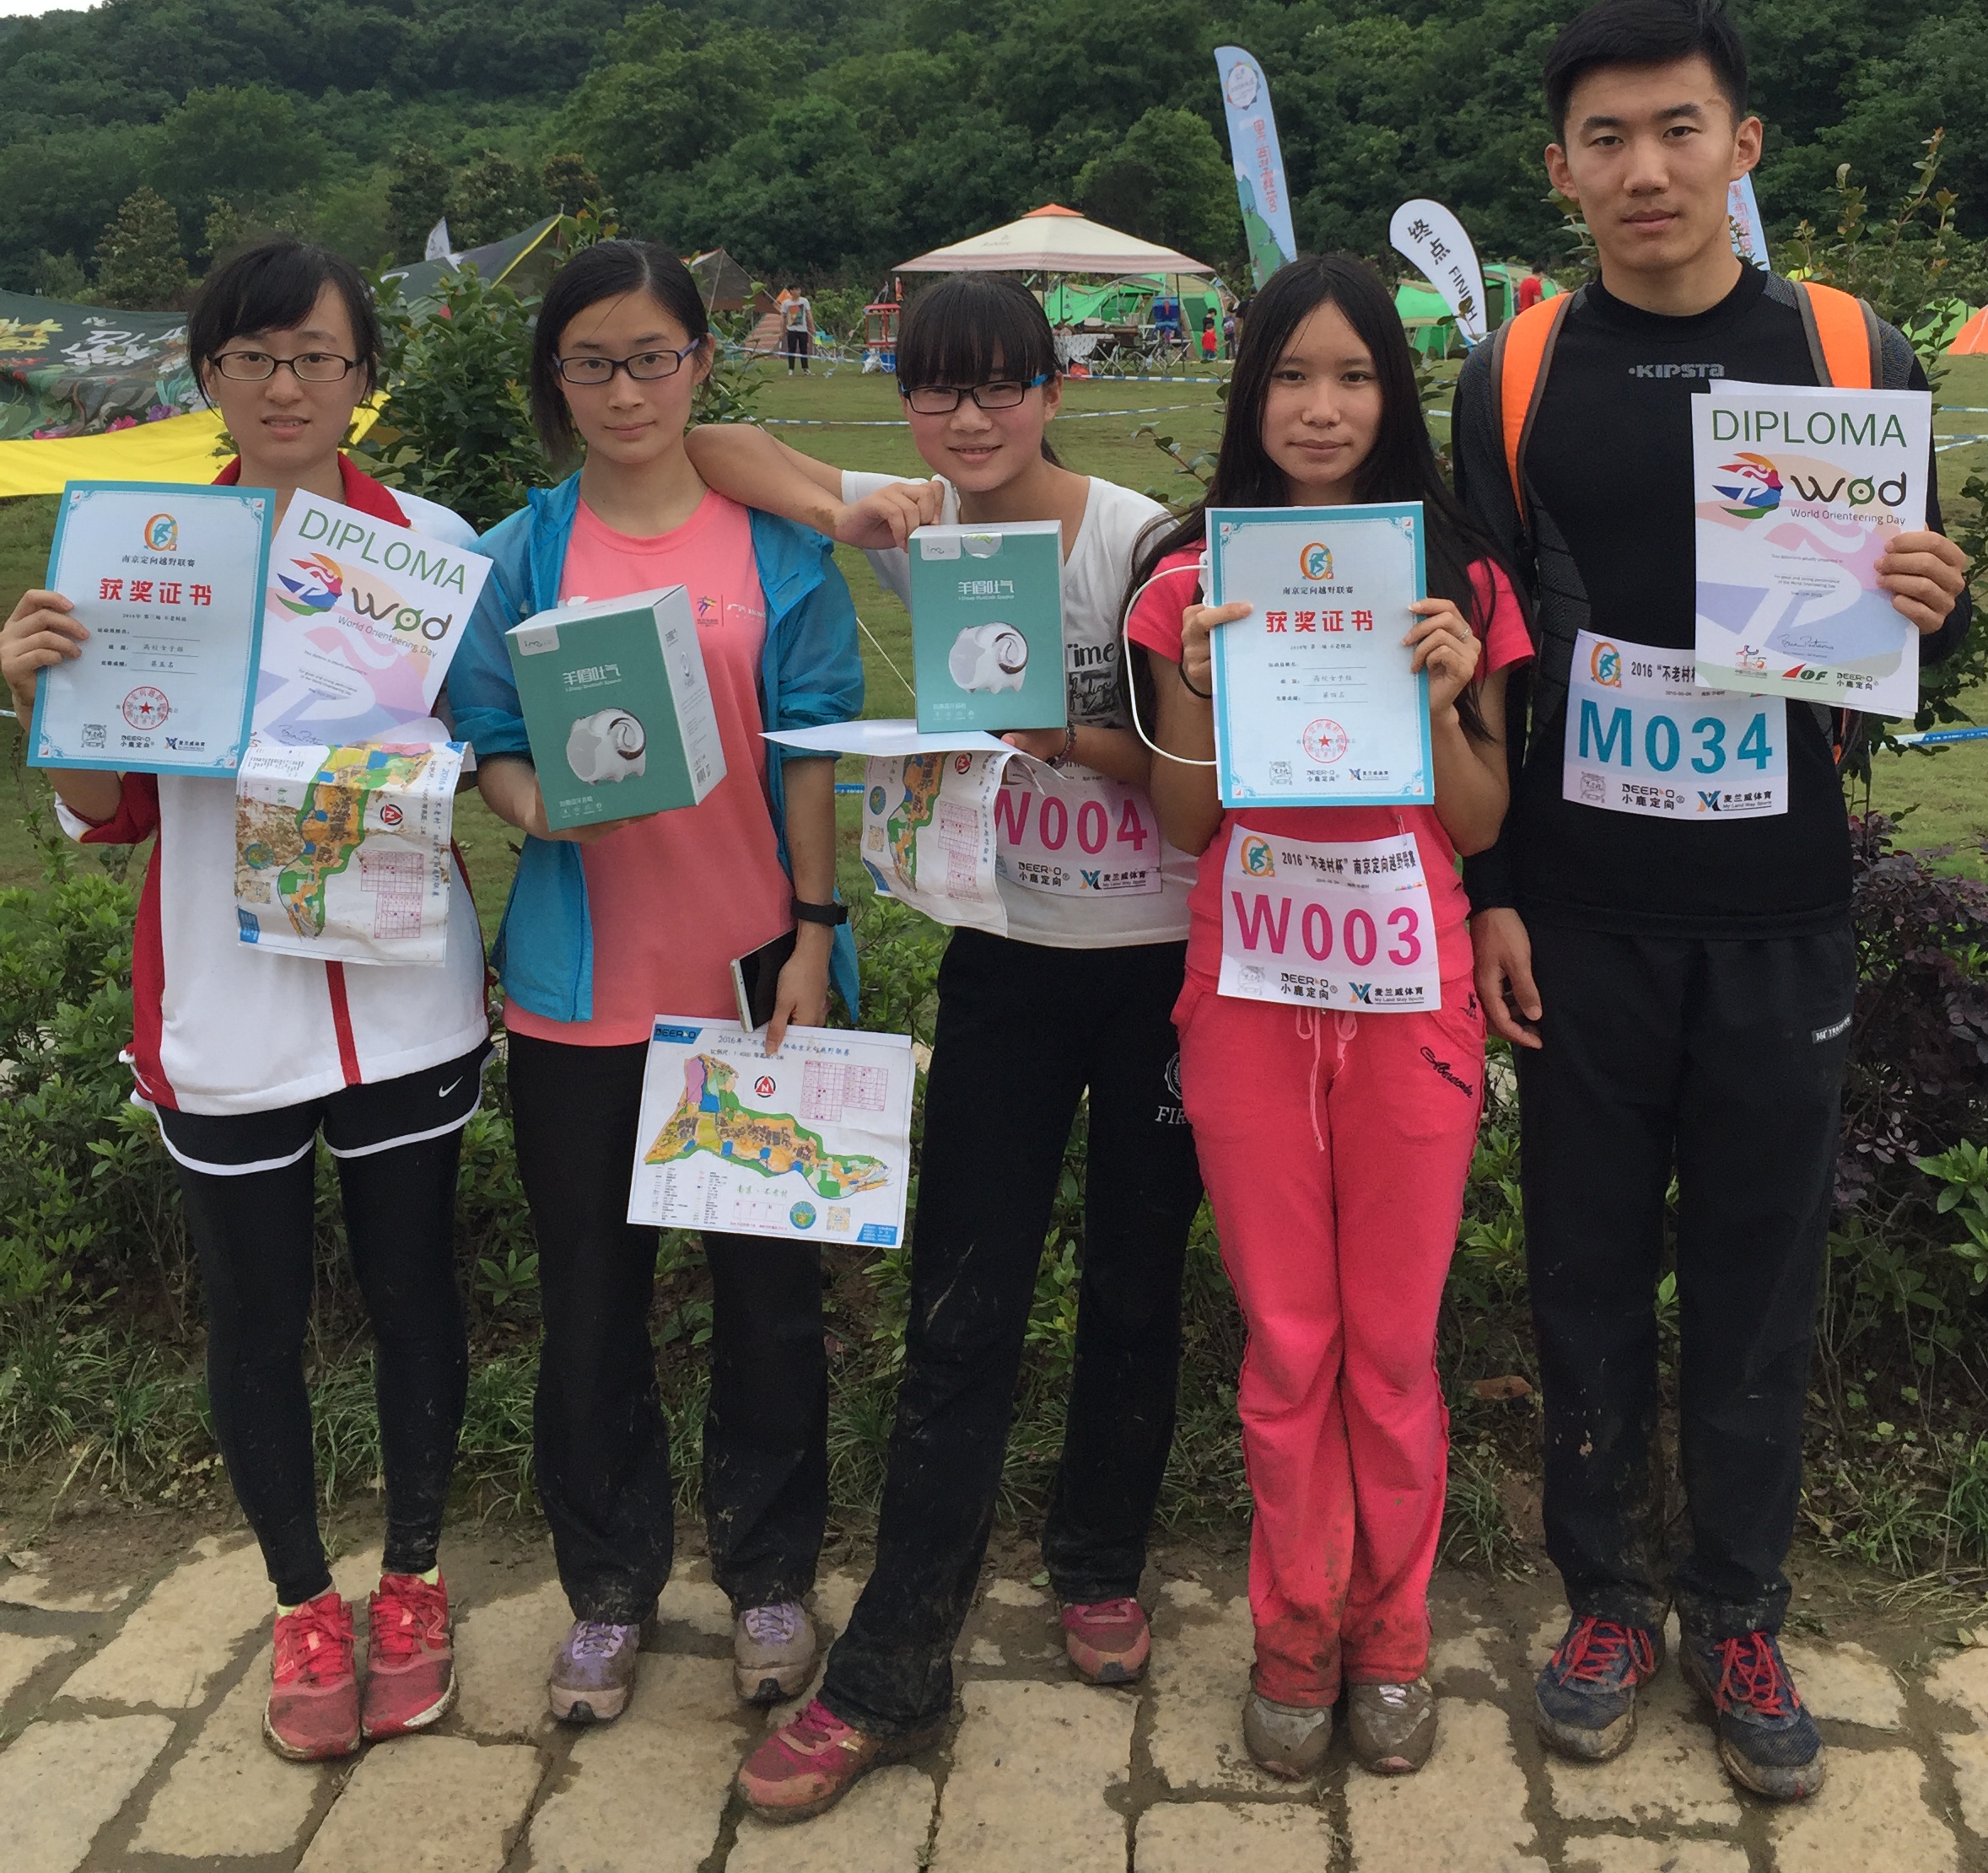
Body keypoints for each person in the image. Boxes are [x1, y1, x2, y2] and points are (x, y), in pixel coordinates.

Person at [1455, 0, 1970, 1804]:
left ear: (1742, 145)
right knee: (1583, 1262)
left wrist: (1934, 601)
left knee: (1758, 1273)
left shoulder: (1846, 347)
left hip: (1777, 904)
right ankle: (1604, 1597)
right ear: (1561, 169)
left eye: (1679, 127)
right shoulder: (1514, 374)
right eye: (1605, 138)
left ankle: (1739, 1607)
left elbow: (1912, 646)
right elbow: (1483, 660)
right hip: (1578, 908)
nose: (1645, 167)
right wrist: (1493, 890)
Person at [699, 274, 1206, 1822]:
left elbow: (1197, 775)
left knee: (1133, 1281)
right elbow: (719, 444)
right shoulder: (923, 519)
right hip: (1004, 957)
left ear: (1055, 390)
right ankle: (895, 1662)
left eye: (1000, 387)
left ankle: (1097, 1560)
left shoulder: (1138, 541)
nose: (970, 419)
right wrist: (849, 509)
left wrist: (1061, 733)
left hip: (1158, 961)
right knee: (961, 1308)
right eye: (936, 390)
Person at [0, 240, 490, 1764]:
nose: (288, 386)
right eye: (254, 357)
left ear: (363, 377)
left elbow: (491, 740)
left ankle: (414, 1579)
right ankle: (301, 1600)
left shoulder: (430, 545)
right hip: (224, 1010)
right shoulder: (142, 552)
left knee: (415, 1295)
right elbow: (109, 808)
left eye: (319, 357)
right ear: (207, 373)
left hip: (404, 992)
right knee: (256, 1320)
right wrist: (41, 696)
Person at [444, 241, 866, 1726]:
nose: (624, 390)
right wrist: (535, 807)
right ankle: (609, 1586)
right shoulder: (519, 553)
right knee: (590, 1302)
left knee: (768, 1300)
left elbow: (811, 744)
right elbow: (488, 734)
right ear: (555, 380)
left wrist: (812, 932)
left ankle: (769, 1575)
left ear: (699, 362)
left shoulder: (776, 548)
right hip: (584, 991)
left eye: (651, 357)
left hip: (750, 984)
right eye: (591, 363)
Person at [1124, 253, 1531, 1781]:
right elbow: (1183, 822)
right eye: (1291, 375)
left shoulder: (1458, 577)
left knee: (1393, 1344)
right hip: (1247, 989)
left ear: (1392, 394)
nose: (1320, 406)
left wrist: (1439, 699)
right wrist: (1192, 685)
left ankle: (1394, 1635)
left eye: (1353, 375)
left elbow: (1479, 820)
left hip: (1410, 990)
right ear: (1250, 393)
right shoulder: (1187, 577)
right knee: (1289, 1339)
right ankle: (1294, 1632)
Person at [783, 288, 814, 372]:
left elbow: (809, 314)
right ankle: (791, 369)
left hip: (803, 330)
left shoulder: (804, 301)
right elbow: (783, 317)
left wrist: (812, 327)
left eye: (799, 290)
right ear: (791, 291)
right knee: (791, 349)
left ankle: (805, 368)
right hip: (791, 330)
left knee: (804, 349)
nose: (798, 292)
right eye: (796, 290)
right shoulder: (786, 303)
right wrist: (782, 330)